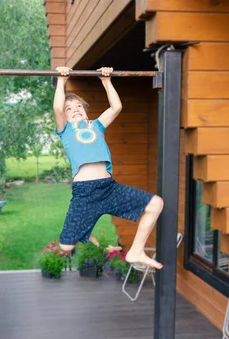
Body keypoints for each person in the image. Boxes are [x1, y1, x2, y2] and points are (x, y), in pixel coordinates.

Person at [53, 66, 165, 270]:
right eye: (69, 109)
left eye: (78, 106)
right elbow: (58, 109)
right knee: (66, 245)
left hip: (109, 188)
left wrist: (106, 80)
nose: (74, 110)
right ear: (65, 116)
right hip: (85, 194)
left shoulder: (96, 125)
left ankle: (136, 251)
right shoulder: (65, 130)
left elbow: (115, 107)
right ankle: (86, 229)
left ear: (86, 111)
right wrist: (61, 80)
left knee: (156, 204)